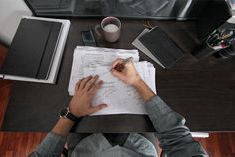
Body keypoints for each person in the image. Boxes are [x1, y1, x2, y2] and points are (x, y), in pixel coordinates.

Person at [29, 59, 208, 157]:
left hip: (84, 147)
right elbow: (178, 140)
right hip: (141, 145)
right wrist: (137, 81)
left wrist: (71, 114)